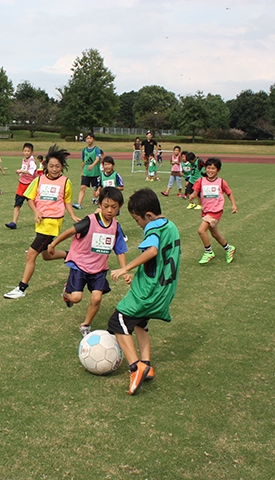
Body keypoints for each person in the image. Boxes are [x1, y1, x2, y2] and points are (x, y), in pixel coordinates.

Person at [109, 188, 181, 395]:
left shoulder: (152, 228)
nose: (139, 225)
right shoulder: (171, 226)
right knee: (141, 324)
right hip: (165, 289)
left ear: (148, 216)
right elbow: (160, 262)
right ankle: (147, 365)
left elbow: (152, 251)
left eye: (137, 220)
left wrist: (125, 268)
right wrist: (138, 274)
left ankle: (135, 367)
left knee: (117, 322)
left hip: (149, 291)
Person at [47, 186, 128, 335]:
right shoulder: (89, 221)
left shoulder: (116, 227)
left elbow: (120, 250)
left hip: (99, 268)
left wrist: (125, 270)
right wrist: (53, 244)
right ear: (99, 204)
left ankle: (85, 325)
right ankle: (67, 293)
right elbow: (70, 231)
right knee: (76, 298)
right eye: (106, 206)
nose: (109, 210)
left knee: (96, 298)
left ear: (119, 207)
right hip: (80, 265)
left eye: (114, 207)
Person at [4, 144, 81, 299]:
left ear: (62, 167)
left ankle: (22, 288)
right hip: (41, 222)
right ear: (46, 165)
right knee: (46, 255)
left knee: (30, 255)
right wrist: (37, 211)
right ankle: (71, 255)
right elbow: (30, 198)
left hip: (52, 224)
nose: (54, 169)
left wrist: (72, 215)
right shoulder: (39, 180)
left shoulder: (66, 182)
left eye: (57, 166)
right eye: (51, 166)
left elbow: (66, 201)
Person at [188, 158, 237, 264]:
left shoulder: (221, 182)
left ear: (218, 170)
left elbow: (229, 193)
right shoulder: (200, 181)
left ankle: (208, 251)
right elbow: (195, 192)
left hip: (216, 211)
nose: (210, 170)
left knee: (201, 230)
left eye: (213, 168)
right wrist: (192, 196)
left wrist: (234, 205)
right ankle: (229, 249)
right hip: (206, 211)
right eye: (208, 168)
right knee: (215, 234)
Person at [5, 143, 38, 229]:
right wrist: (20, 173)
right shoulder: (24, 160)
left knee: (33, 205)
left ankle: (40, 218)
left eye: (28, 151)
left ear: (32, 152)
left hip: (30, 186)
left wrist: (21, 171)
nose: (26, 153)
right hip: (21, 185)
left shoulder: (32, 161)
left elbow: (31, 172)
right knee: (17, 204)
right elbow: (23, 170)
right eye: (25, 151)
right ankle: (14, 222)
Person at [72, 132, 101, 210]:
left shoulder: (97, 149)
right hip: (86, 173)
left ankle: (95, 199)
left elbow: (98, 159)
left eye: (90, 138)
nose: (89, 140)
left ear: (93, 139)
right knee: (82, 188)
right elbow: (83, 162)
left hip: (95, 173)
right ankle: (79, 204)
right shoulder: (84, 150)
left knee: (97, 188)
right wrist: (82, 171)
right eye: (87, 138)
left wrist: (92, 165)